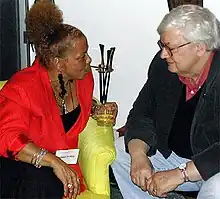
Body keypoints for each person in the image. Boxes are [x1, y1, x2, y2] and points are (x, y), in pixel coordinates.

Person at [111, 4, 220, 199]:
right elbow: (142, 112)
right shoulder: (164, 66)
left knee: (216, 190)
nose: (163, 54)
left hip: (213, 167)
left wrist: (181, 174)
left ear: (200, 47)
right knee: (120, 153)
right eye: (162, 46)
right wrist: (139, 156)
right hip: (174, 158)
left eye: (170, 48)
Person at [0, 1, 93, 199]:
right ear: (58, 63)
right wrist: (51, 160)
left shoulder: (84, 80)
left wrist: (96, 107)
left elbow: (70, 114)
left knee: (50, 182)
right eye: (81, 56)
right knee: (40, 182)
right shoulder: (23, 87)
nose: (89, 61)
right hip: (17, 164)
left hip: (55, 167)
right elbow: (7, 137)